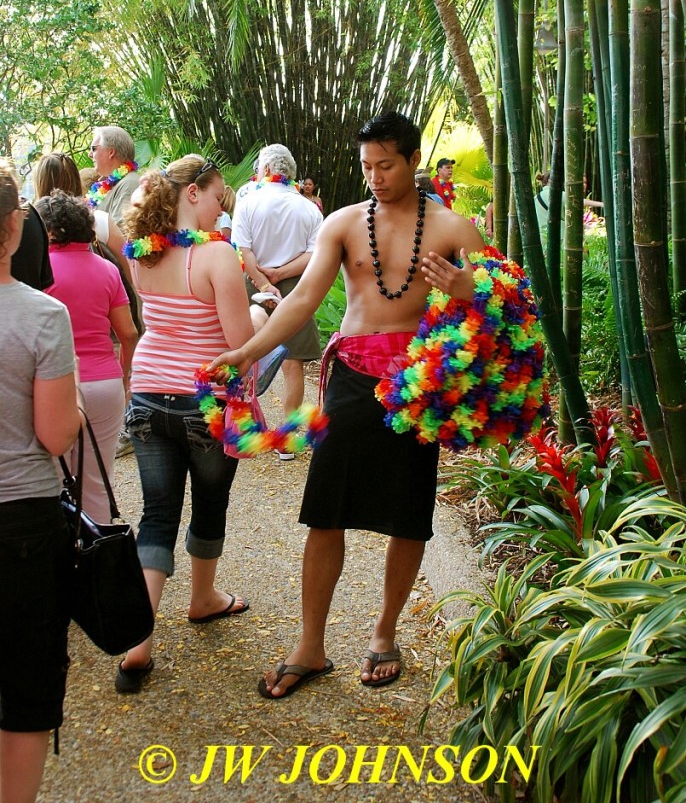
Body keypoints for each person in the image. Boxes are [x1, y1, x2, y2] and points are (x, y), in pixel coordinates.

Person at [210, 111, 484, 698]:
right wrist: (248, 351)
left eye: (387, 165)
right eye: (367, 167)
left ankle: (384, 633)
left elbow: (502, 318)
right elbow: (303, 298)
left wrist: (468, 290)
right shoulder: (339, 223)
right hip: (352, 381)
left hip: (418, 389)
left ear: (413, 161)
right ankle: (310, 644)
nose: (376, 177)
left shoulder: (455, 230)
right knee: (324, 512)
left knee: (409, 515)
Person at [115, 155, 268, 694]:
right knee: (209, 502)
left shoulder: (142, 253)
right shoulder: (215, 255)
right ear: (195, 193)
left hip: (149, 395)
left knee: (156, 514)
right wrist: (260, 315)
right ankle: (203, 599)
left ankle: (138, 642)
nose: (223, 203)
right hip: (203, 403)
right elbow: (237, 349)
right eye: (219, 193)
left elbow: (156, 323)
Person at [0, 162, 81, 803]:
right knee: (24, 685)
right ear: (14, 228)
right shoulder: (41, 317)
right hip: (21, 521)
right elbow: (56, 436)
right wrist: (77, 410)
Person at [35, 192, 138, 524]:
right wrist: (123, 377)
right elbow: (129, 333)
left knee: (53, 478)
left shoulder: (40, 272)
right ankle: (98, 564)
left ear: (47, 231)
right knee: (97, 480)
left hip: (56, 385)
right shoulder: (107, 270)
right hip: (104, 384)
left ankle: (62, 562)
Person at [231, 144, 323, 456]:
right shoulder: (309, 208)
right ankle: (286, 440)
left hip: (253, 283)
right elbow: (314, 255)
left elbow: (244, 250)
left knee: (245, 353)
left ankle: (241, 429)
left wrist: (263, 280)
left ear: (267, 170)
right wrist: (282, 273)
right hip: (295, 286)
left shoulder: (247, 201)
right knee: (292, 362)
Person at [88, 126, 141, 227]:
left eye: (93, 149)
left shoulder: (129, 183)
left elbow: (122, 236)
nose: (90, 154)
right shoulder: (107, 185)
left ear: (111, 152)